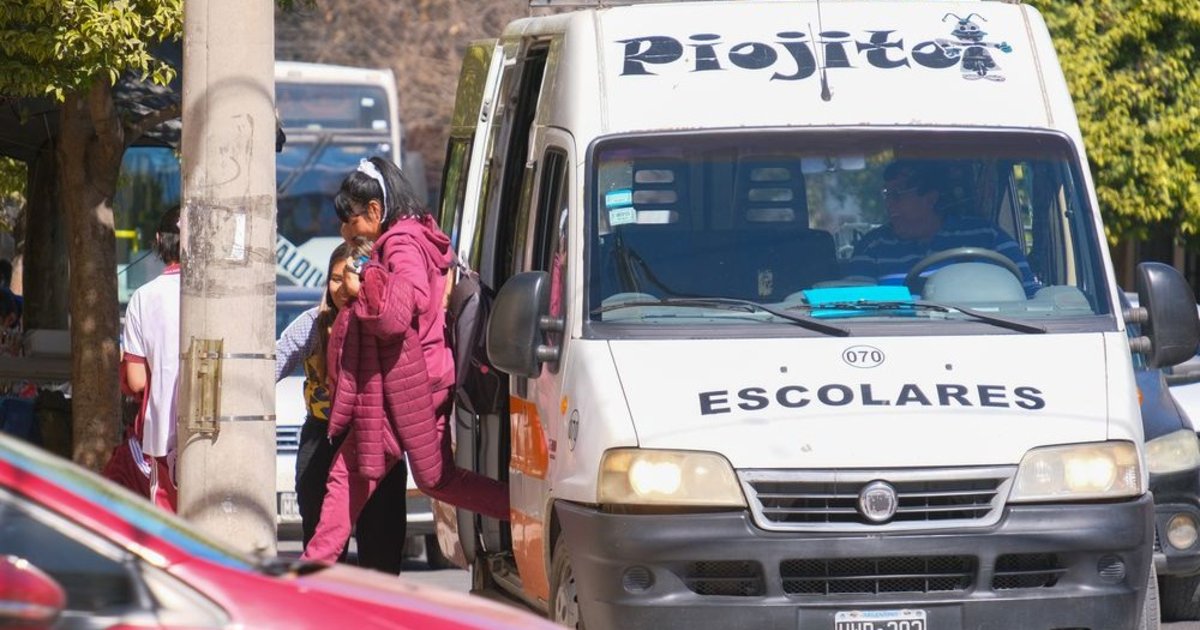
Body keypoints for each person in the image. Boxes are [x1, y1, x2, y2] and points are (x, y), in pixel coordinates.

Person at [302, 157, 509, 565]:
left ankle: (312, 571)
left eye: (350, 221)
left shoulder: (399, 243)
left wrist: (363, 284)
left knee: (347, 474)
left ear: (374, 210)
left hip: (406, 384)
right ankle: (523, 510)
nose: (345, 232)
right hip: (428, 377)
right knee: (436, 479)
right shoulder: (420, 234)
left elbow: (400, 309)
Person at [275, 237, 409, 573]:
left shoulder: (386, 323)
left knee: (381, 550)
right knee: (322, 541)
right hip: (322, 441)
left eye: (352, 278)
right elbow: (273, 363)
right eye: (335, 279)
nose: (343, 287)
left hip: (376, 441)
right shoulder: (312, 324)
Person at [843, 160, 1039, 295]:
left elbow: (1029, 296)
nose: (889, 204)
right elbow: (857, 309)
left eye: (897, 194)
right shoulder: (873, 247)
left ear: (930, 198)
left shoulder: (987, 237)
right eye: (886, 195)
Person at [104, 207, 181, 511]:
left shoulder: (144, 297)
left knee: (168, 524)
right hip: (215, 435)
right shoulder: (217, 298)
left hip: (162, 433)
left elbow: (136, 381)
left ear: (159, 240)